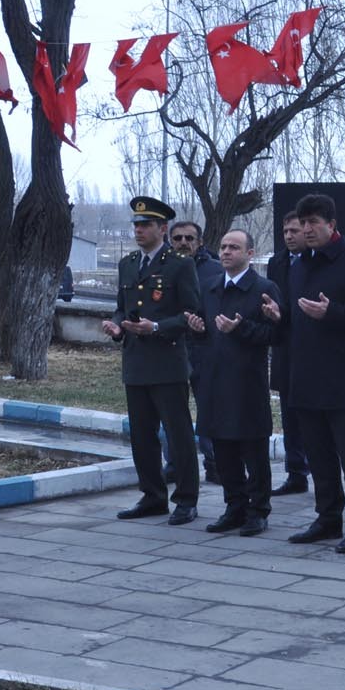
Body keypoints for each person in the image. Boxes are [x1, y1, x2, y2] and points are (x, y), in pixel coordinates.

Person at [262, 193, 345, 553]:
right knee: (317, 455)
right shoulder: (299, 266)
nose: (307, 229)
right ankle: (328, 517)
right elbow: (298, 320)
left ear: (332, 225)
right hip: (304, 376)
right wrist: (279, 316)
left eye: (315, 222)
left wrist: (332, 313)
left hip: (341, 378)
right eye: (304, 222)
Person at [101, 196, 203, 525]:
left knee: (178, 434)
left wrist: (156, 326)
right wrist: (117, 325)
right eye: (136, 224)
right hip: (135, 362)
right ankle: (152, 495)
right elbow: (122, 305)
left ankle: (186, 499)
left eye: (145, 225)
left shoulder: (179, 264)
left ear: (163, 228)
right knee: (141, 435)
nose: (138, 230)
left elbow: (192, 313)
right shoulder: (128, 263)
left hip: (167, 361)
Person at [185, 230, 280, 537]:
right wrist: (196, 328)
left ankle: (258, 510)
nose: (225, 252)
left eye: (234, 247)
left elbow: (274, 336)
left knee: (253, 450)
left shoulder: (264, 288)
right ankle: (234, 506)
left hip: (247, 382)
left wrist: (241, 329)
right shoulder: (210, 287)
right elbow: (201, 331)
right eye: (223, 246)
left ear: (250, 254)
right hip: (213, 379)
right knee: (223, 450)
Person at [170, 220, 222, 483]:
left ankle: (214, 463)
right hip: (172, 347)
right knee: (172, 410)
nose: (183, 243)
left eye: (189, 238)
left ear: (200, 242)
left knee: (208, 408)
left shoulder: (214, 269)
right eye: (177, 238)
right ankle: (174, 464)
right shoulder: (163, 267)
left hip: (204, 347)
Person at [266, 212, 309, 496]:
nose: (290, 236)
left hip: (313, 348)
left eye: (295, 231)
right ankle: (296, 473)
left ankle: (322, 469)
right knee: (290, 413)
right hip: (284, 346)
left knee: (313, 414)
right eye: (286, 231)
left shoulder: (316, 261)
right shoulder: (276, 262)